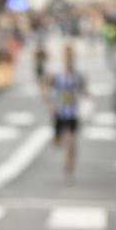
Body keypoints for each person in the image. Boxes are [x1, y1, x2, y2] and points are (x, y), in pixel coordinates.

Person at [46, 45, 85, 179]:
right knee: (58, 142)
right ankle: (58, 140)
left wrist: (88, 95)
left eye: (71, 56)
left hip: (72, 113)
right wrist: (51, 105)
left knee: (72, 141)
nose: (69, 59)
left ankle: (70, 166)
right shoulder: (58, 74)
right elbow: (47, 86)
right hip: (60, 111)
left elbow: (83, 89)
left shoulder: (77, 74)